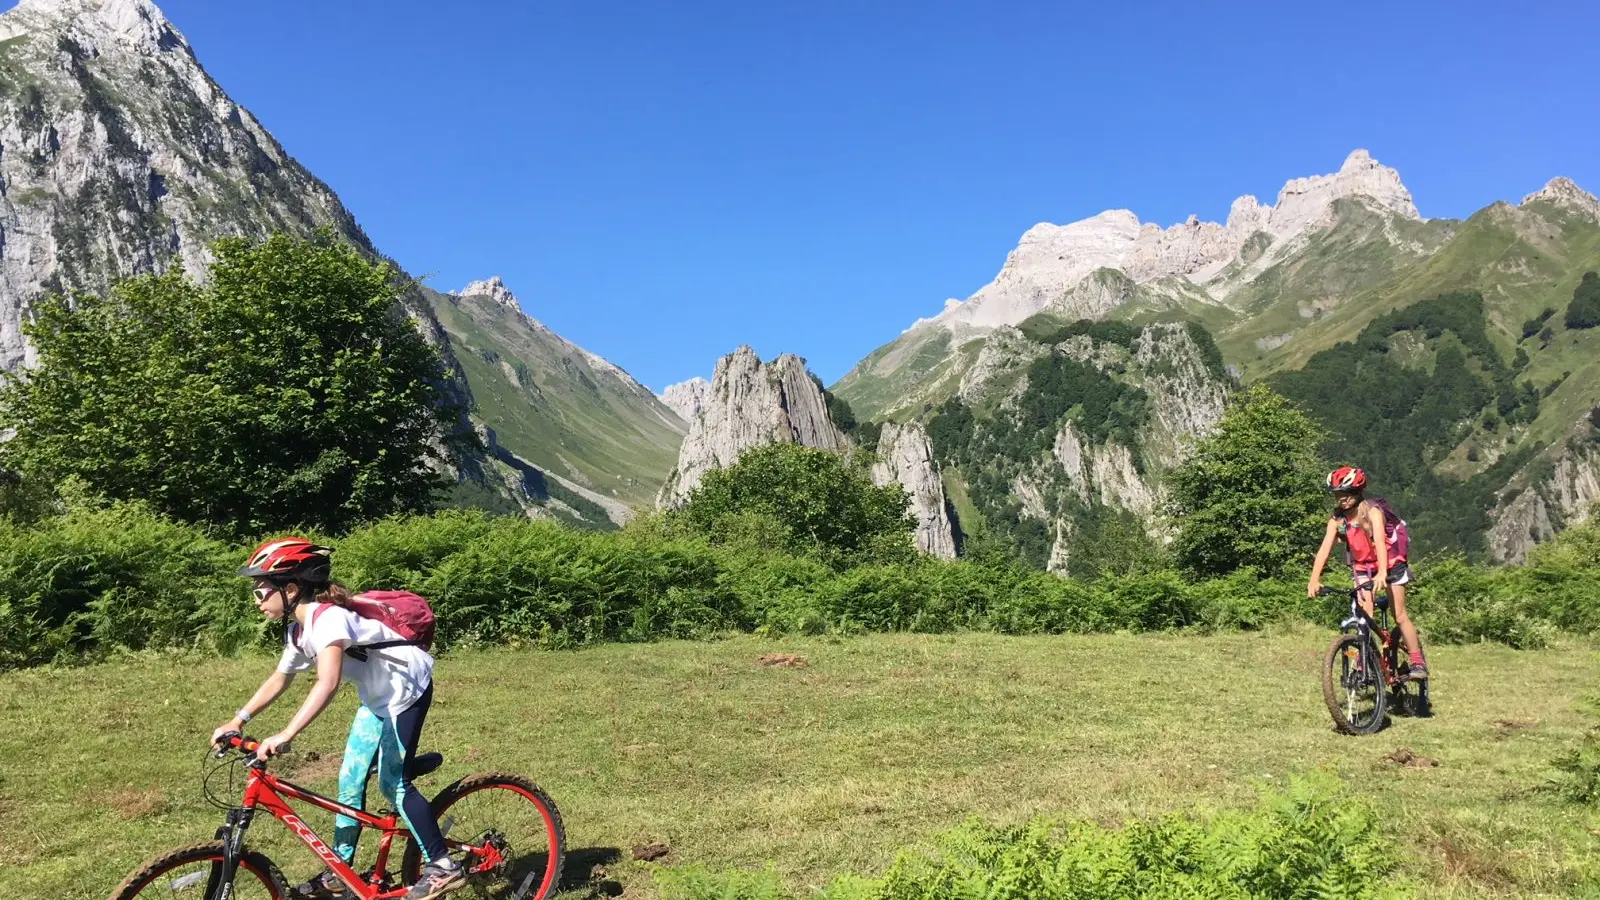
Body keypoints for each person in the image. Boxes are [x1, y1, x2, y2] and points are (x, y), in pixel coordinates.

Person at [210, 537, 464, 900]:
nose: (257, 600)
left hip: (405, 693)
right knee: (349, 782)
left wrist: (287, 732)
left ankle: (443, 866)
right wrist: (239, 719)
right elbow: (281, 678)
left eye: (262, 591)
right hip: (376, 700)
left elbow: (327, 683)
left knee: (393, 784)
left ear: (292, 588)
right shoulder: (299, 628)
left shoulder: (329, 620)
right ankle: (340, 872)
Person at [1307, 466, 1428, 680]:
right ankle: (1363, 662)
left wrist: (1382, 572)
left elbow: (1380, 543)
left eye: (1346, 494)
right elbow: (1324, 550)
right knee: (1363, 617)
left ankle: (1418, 661)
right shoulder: (1337, 520)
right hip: (1363, 565)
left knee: (1399, 614)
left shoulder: (1372, 512)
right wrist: (1314, 579)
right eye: (1337, 494)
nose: (1341, 499)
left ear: (1357, 491)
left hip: (1390, 562)